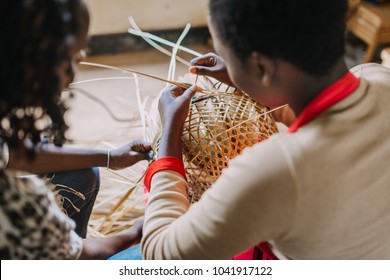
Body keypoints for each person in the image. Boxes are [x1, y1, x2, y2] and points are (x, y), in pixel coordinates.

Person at [140, 0, 390, 259]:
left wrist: (169, 137)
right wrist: (250, 79)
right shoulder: (378, 77)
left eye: (227, 55)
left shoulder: (272, 170)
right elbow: (329, 116)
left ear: (261, 67)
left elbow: (161, 254)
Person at [0, 0, 149, 259]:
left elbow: (9, 153)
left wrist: (110, 158)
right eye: (74, 55)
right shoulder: (18, 204)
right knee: (158, 257)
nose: (81, 59)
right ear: (34, 62)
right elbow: (82, 255)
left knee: (83, 175)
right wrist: (138, 231)